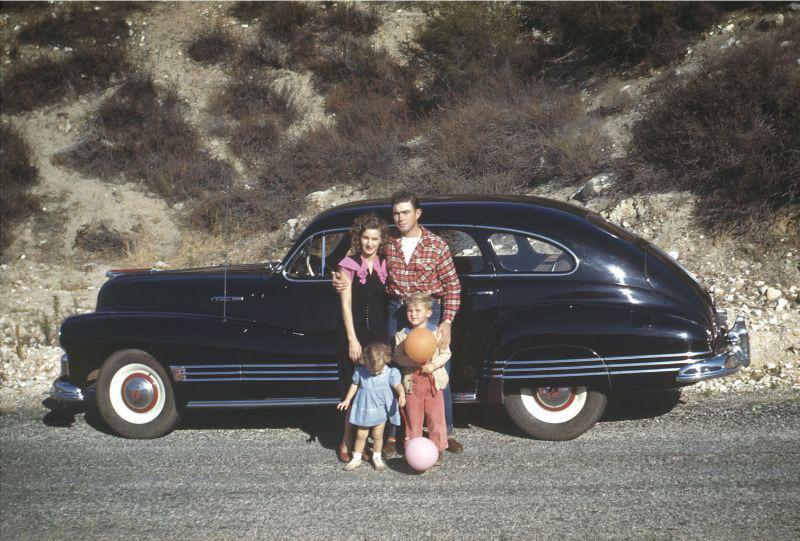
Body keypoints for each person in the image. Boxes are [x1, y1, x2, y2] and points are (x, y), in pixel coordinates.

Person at [335, 191, 463, 456]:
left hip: (430, 311)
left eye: (405, 212)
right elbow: (358, 258)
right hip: (396, 310)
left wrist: (447, 321)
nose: (400, 217)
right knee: (393, 368)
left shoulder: (436, 245)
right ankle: (395, 433)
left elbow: (452, 286)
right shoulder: (388, 244)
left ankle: (445, 432)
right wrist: (337, 279)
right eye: (396, 213)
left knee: (436, 369)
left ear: (418, 214)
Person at [335, 213, 390, 463]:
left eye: (374, 238)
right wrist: (352, 339)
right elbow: (345, 305)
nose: (369, 243)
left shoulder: (385, 263)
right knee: (354, 388)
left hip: (379, 334)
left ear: (381, 240)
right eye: (366, 238)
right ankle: (346, 439)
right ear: (359, 238)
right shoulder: (348, 264)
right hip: (355, 332)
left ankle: (368, 440)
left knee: (375, 388)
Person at [393, 293, 450, 462]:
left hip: (433, 382)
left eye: (418, 310)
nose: (413, 314)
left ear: (429, 313)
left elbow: (446, 353)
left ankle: (438, 448)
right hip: (412, 383)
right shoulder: (402, 335)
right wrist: (411, 359)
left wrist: (432, 365)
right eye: (410, 310)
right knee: (413, 419)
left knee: (436, 417)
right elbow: (397, 356)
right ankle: (412, 448)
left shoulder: (436, 333)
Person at [337, 343, 406, 471]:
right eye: (371, 370)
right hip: (364, 409)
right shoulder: (361, 371)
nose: (374, 373)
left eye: (378, 371)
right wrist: (347, 399)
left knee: (378, 435)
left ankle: (377, 457)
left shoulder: (390, 373)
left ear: (385, 360)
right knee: (361, 435)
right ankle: (356, 458)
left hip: (380, 409)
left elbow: (397, 385)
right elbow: (354, 385)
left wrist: (401, 394)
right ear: (365, 362)